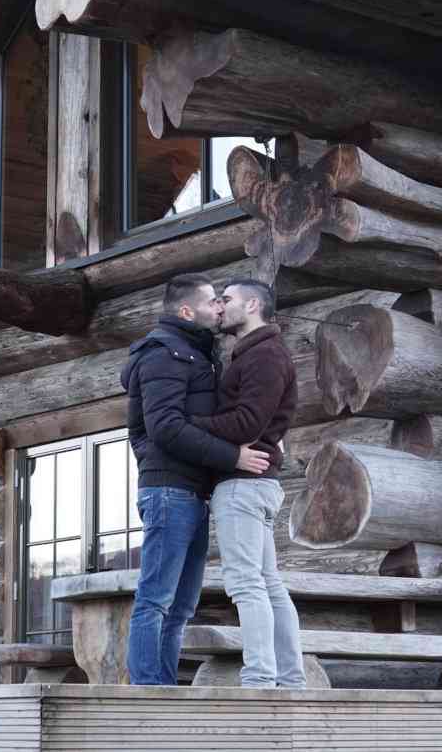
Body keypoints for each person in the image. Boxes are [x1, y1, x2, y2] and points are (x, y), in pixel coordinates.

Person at [120, 274, 269, 685]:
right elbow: (165, 428)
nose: (219, 307)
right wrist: (232, 456)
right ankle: (149, 691)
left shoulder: (195, 353)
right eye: (211, 302)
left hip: (191, 491)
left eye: (223, 301)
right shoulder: (164, 355)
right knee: (155, 601)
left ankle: (163, 686)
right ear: (187, 311)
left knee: (181, 607)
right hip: (169, 490)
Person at [188, 279, 304, 688]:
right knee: (268, 584)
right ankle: (289, 680)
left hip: (244, 484)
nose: (220, 307)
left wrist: (189, 426)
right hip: (255, 483)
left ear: (253, 304)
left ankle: (259, 679)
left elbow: (247, 424)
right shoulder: (252, 354)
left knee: (246, 585)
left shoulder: (266, 356)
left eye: (228, 300)